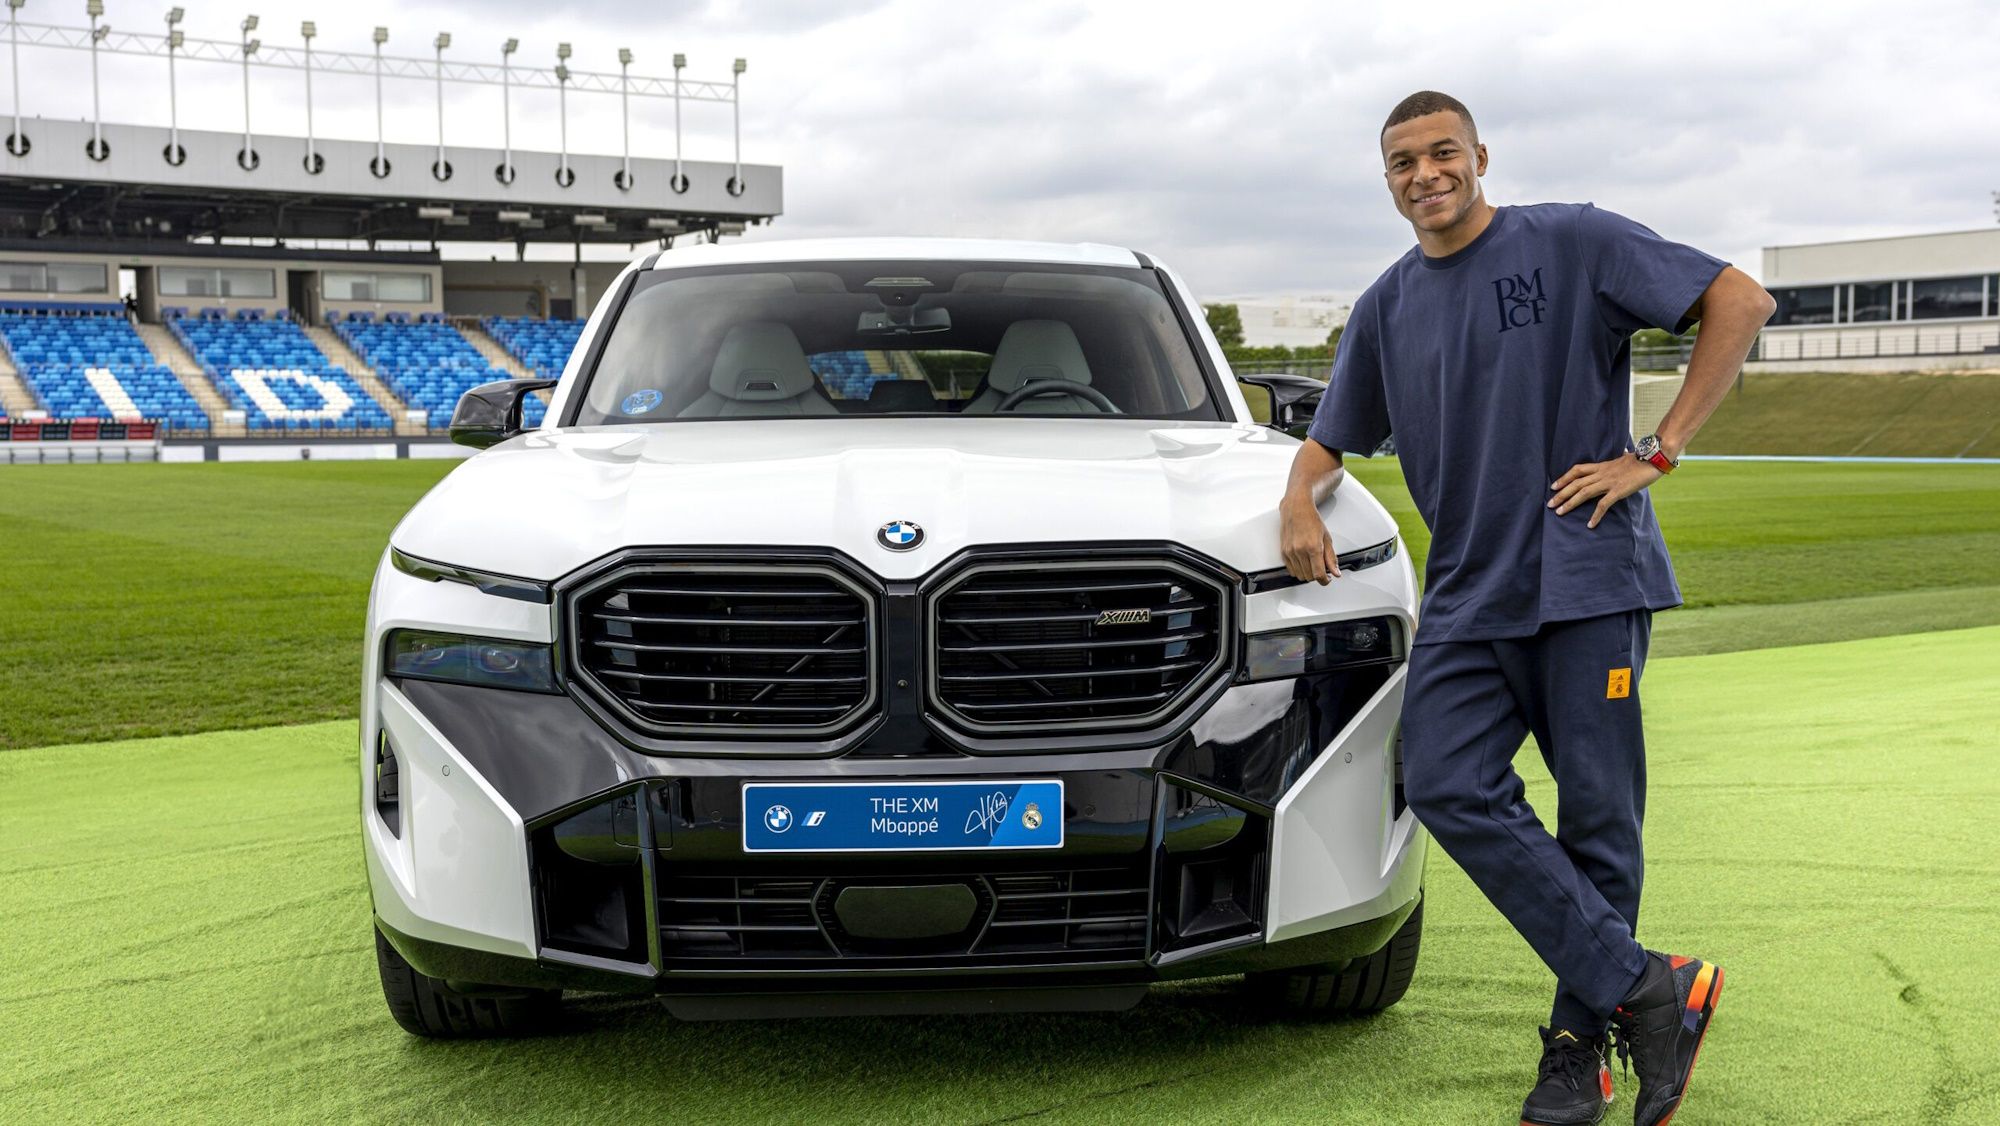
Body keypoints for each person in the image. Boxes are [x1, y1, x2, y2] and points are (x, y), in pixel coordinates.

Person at [1277, 91, 1772, 1126]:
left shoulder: (1570, 241)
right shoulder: (1384, 303)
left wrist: (1656, 451)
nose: (1424, 174)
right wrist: (1295, 497)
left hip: (1583, 580)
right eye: (1402, 161)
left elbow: (1738, 298)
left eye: (1441, 152)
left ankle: (1572, 1053)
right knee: (1444, 780)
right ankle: (1648, 990)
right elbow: (1329, 439)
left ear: (1478, 156)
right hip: (1465, 594)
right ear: (1387, 180)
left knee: (1596, 820)